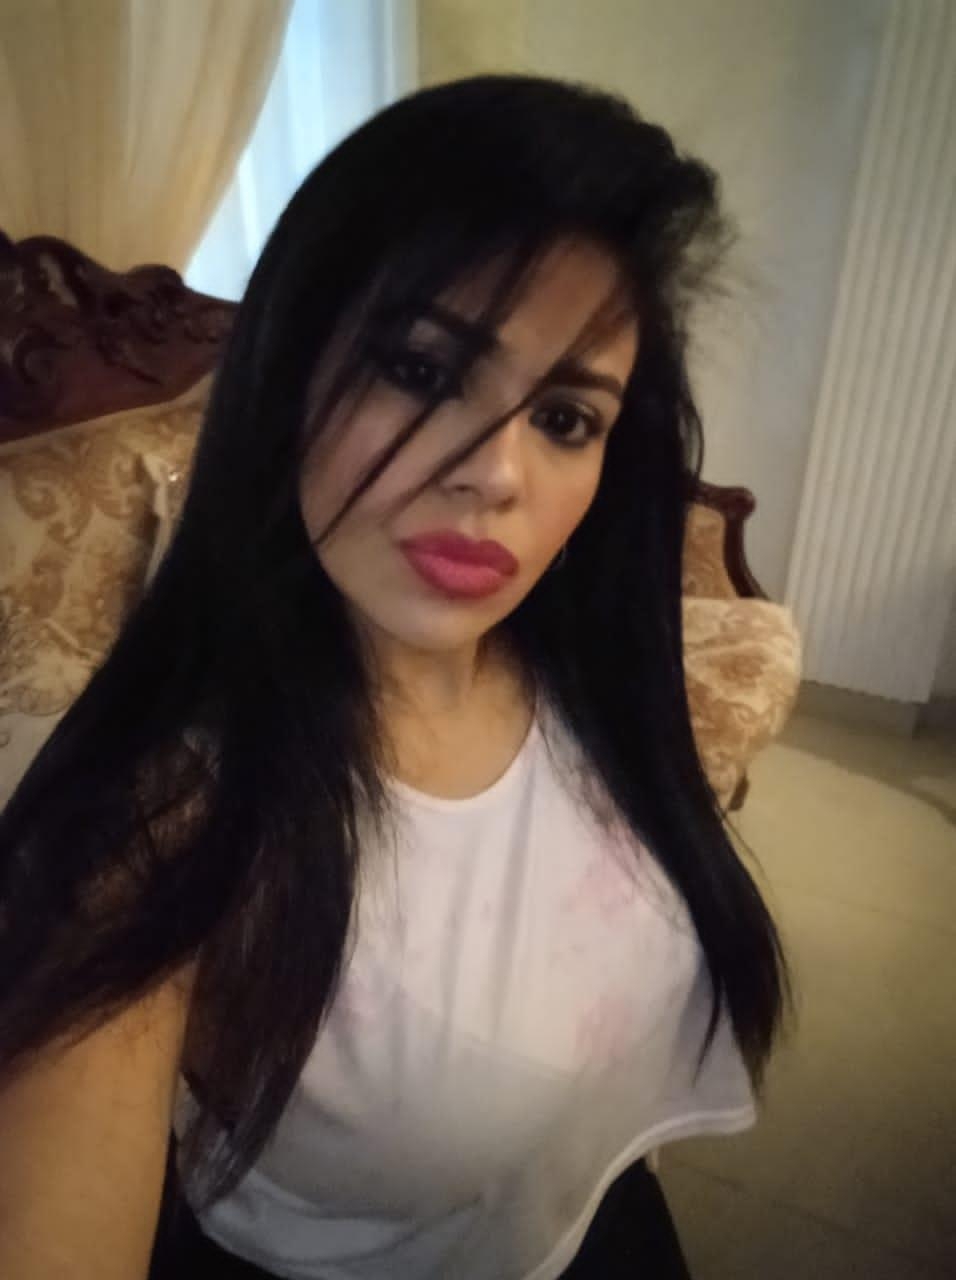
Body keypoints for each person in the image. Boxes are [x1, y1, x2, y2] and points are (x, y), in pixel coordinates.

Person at [0, 73, 794, 1279]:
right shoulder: (162, 820)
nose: (495, 474)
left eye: (564, 418)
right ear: (284, 376)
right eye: (421, 371)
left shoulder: (587, 675)